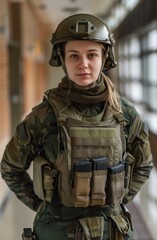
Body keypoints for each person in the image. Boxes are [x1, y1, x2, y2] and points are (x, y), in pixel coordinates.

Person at [1, 13, 153, 240]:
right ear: (62, 59)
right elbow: (11, 167)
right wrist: (45, 207)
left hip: (111, 230)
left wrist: (116, 201)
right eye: (74, 56)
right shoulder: (43, 116)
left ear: (104, 58)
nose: (83, 64)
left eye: (92, 55)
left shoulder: (125, 114)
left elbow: (144, 165)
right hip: (57, 230)